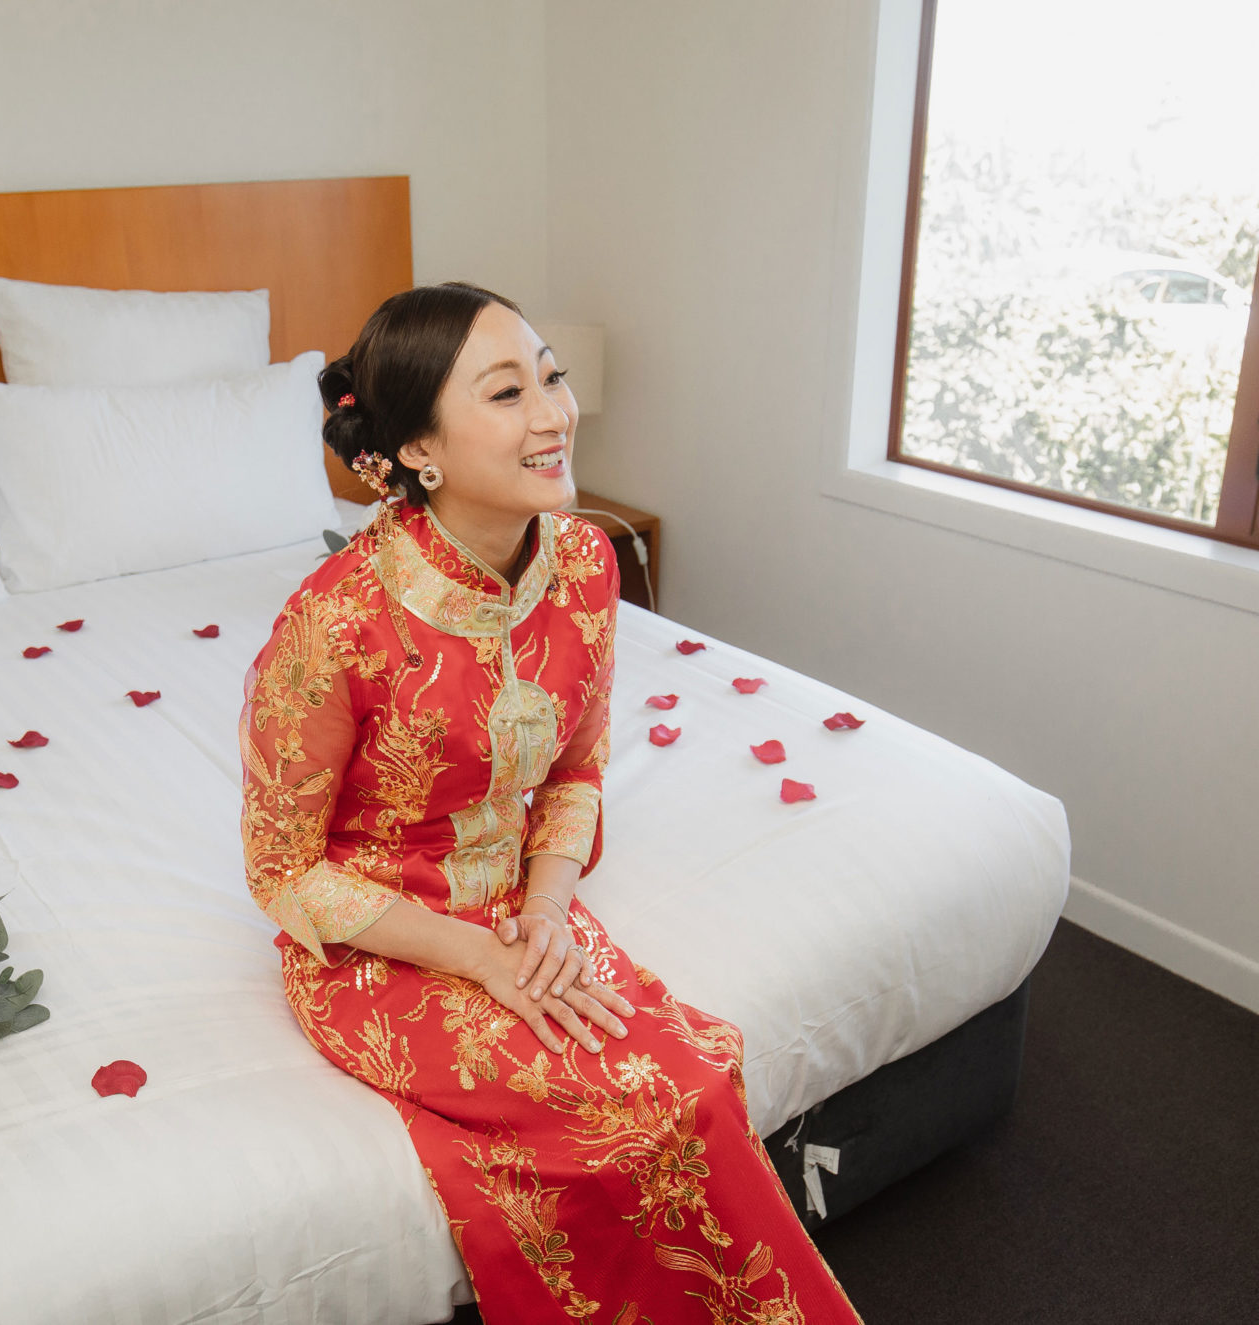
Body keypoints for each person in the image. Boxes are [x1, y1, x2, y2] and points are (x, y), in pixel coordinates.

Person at [238, 282, 864, 1323]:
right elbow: (282, 874)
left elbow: (576, 766)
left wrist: (541, 907)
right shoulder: (332, 627)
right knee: (634, 1108)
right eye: (505, 391)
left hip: (522, 912)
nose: (553, 413)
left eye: (551, 376)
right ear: (419, 449)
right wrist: (483, 955)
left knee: (696, 1079)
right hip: (379, 942)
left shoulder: (581, 560)